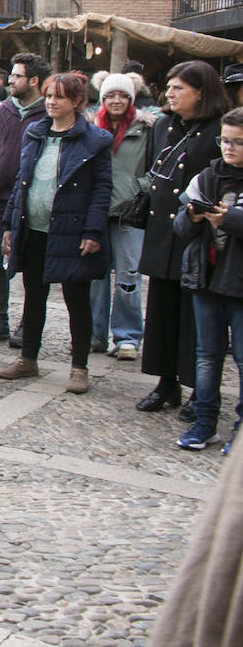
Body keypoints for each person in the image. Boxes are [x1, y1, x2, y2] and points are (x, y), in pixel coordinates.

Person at [0, 73, 112, 393]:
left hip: (72, 231)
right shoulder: (35, 132)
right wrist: (10, 225)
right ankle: (28, 358)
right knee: (33, 297)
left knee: (77, 301)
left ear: (76, 101)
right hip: (33, 230)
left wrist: (93, 231)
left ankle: (79, 366)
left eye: (59, 96)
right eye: (48, 95)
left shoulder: (95, 140)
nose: (51, 102)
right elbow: (21, 180)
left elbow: (102, 190)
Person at [136, 61, 231, 415]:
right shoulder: (164, 125)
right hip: (163, 232)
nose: (170, 94)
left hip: (199, 235)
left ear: (201, 92)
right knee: (162, 311)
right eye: (169, 87)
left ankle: (200, 391)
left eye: (179, 88)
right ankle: (166, 384)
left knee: (197, 318)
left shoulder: (218, 130)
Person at [172, 106, 243, 451]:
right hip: (205, 279)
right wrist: (192, 217)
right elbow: (181, 229)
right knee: (207, 355)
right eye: (224, 141)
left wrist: (229, 220)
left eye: (237, 142)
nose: (228, 148)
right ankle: (204, 423)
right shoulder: (207, 175)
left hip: (239, 285)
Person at [0, 53, 50, 347]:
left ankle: (27, 324)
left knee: (31, 267)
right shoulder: (5, 109)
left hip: (31, 202)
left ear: (33, 81)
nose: (10, 80)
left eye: (16, 76)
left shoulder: (48, 113)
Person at [89, 73, 154, 360]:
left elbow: (156, 167)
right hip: (98, 213)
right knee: (95, 278)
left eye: (122, 96)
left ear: (131, 99)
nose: (116, 101)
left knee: (128, 278)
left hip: (130, 215)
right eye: (110, 96)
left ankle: (127, 336)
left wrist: (139, 190)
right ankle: (95, 334)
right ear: (102, 100)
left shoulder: (146, 129)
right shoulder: (92, 129)